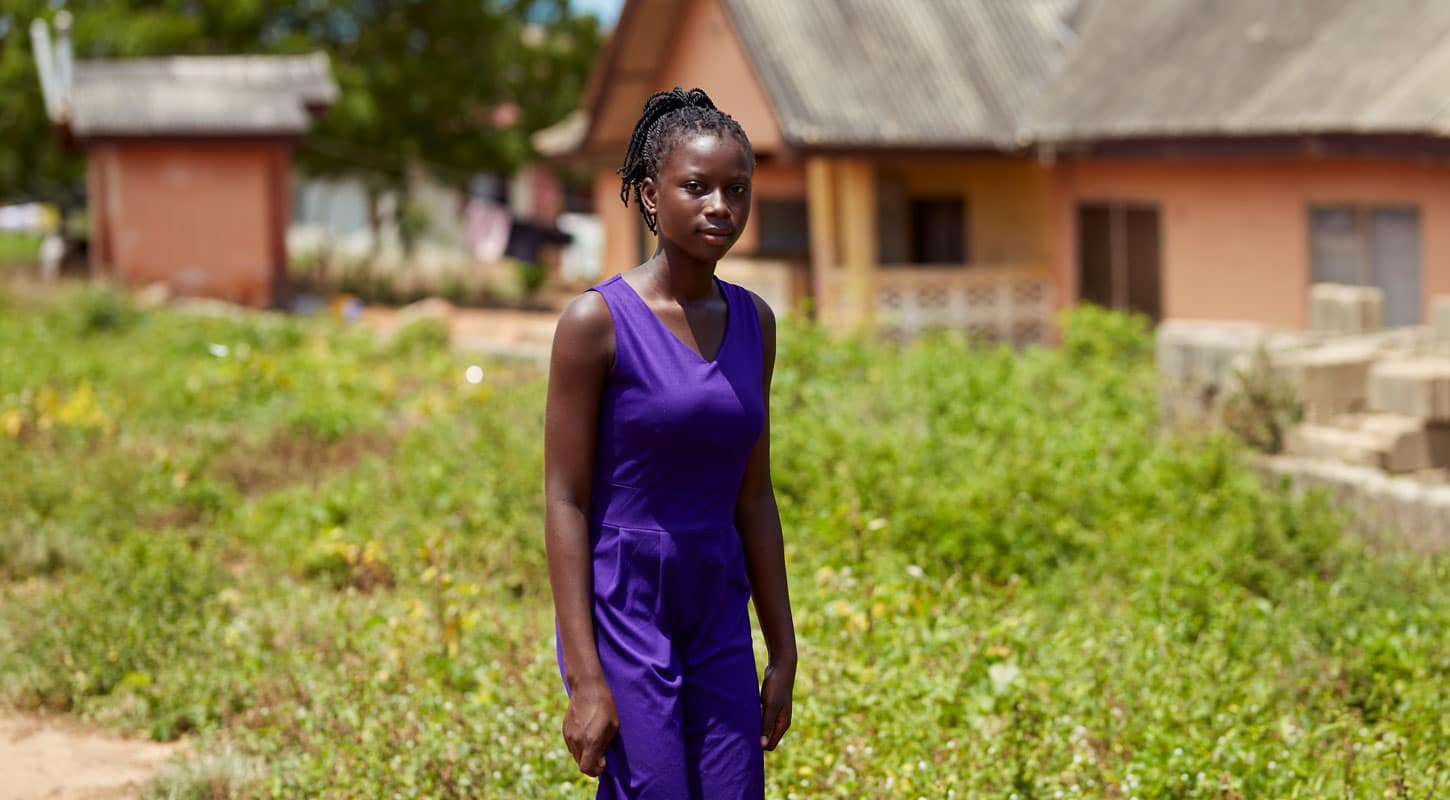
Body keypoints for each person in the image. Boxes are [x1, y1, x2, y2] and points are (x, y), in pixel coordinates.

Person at [543, 86, 797, 799]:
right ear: (651, 195)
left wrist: (782, 647)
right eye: (697, 187)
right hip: (626, 592)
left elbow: (753, 494)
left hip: (717, 593)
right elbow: (564, 498)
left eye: (736, 190)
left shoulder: (756, 322)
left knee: (733, 788)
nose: (720, 205)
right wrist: (586, 679)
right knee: (652, 789)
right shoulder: (597, 322)